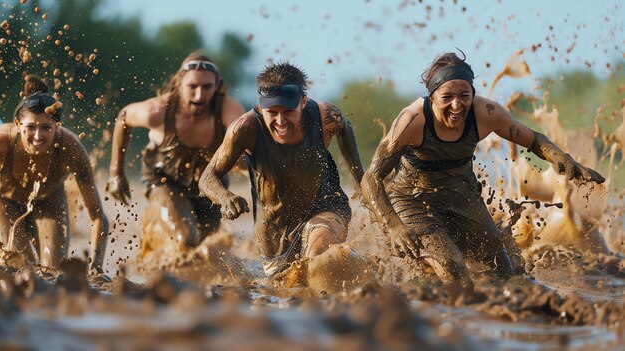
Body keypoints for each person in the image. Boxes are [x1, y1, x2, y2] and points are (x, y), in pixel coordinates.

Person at [361, 52, 605, 284]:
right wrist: (393, 226)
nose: (457, 106)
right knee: (452, 268)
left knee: (506, 271)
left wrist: (563, 158)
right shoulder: (412, 120)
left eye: (464, 96)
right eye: (447, 97)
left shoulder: (487, 113)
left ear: (472, 93)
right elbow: (370, 179)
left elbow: (533, 139)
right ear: (433, 96)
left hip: (462, 195)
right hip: (413, 200)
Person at [199, 62, 364, 277]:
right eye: (272, 112)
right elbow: (207, 178)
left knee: (317, 263)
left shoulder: (325, 116)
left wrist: (360, 178)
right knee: (289, 286)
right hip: (273, 231)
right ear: (260, 104)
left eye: (288, 111)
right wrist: (225, 197)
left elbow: (345, 128)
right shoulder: (244, 128)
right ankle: (360, 263)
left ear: (303, 102)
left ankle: (356, 281)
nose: (280, 121)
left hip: (325, 205)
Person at [107, 52, 244, 254]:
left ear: (217, 86)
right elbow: (123, 118)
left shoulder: (228, 110)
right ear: (179, 84)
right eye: (192, 87)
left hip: (211, 186)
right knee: (186, 239)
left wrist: (243, 164)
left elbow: (247, 146)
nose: (199, 95)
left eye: (207, 87)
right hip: (164, 180)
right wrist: (116, 173)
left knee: (207, 250)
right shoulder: (158, 111)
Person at [0, 75, 108, 274]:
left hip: (49, 203)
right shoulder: (3, 141)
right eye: (30, 127)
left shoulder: (71, 147)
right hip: (5, 204)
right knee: (21, 268)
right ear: (17, 124)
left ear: (57, 126)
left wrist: (97, 267)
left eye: (46, 127)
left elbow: (98, 216)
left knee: (53, 273)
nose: (38, 136)